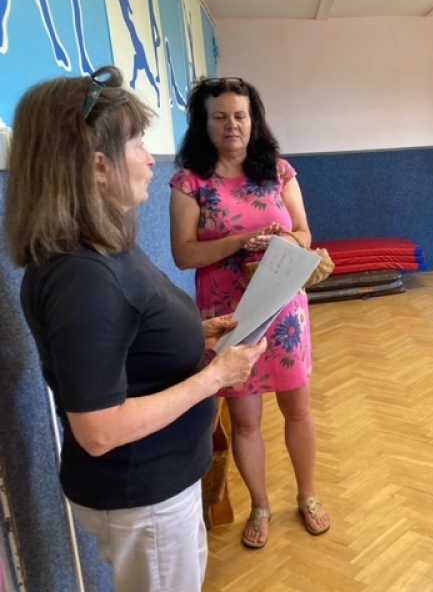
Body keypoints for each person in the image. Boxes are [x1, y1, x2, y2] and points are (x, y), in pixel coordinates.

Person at [3, 66, 266, 592]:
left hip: (160, 486)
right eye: (139, 143)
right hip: (143, 497)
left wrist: (198, 332)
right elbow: (99, 430)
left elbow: (127, 338)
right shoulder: (82, 276)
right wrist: (214, 378)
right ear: (98, 166)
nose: (151, 158)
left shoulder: (100, 247)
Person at [169, 76, 330, 550]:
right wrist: (240, 241)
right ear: (203, 124)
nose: (232, 125)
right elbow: (184, 254)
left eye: (240, 115)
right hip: (230, 316)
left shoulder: (278, 171)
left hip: (284, 308)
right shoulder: (190, 182)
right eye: (219, 117)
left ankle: (308, 495)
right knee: (244, 420)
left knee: (298, 410)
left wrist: (283, 240)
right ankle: (260, 505)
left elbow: (304, 233)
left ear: (253, 120)